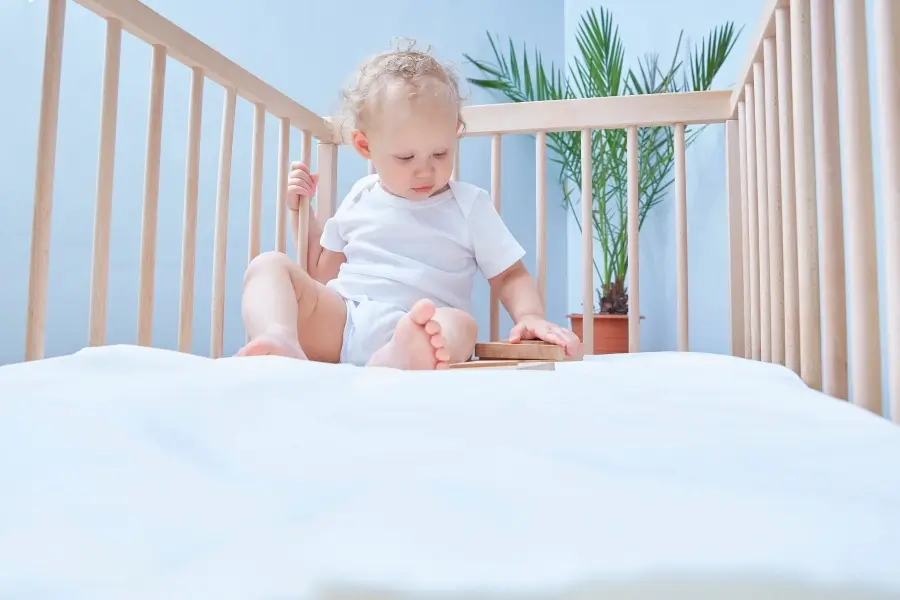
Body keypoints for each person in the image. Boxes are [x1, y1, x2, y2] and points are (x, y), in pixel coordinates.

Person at [235, 40, 581, 369]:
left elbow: (509, 275)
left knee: (462, 326)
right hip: (345, 319)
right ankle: (278, 340)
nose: (425, 170)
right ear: (364, 146)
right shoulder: (360, 195)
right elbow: (321, 272)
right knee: (268, 266)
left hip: (424, 322)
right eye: (405, 157)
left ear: (456, 132)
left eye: (440, 153)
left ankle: (400, 355)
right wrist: (302, 212)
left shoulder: (469, 205)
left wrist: (530, 316)